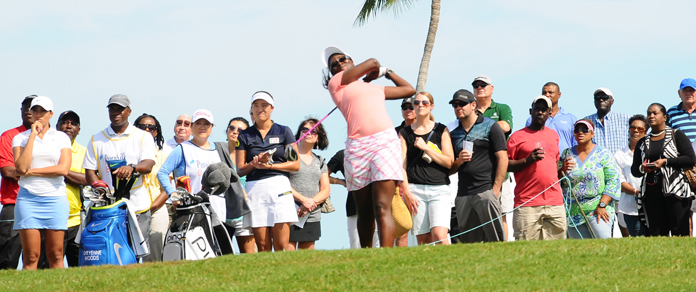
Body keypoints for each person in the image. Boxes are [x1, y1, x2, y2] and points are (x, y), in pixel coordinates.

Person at [323, 46, 416, 248]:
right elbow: (372, 62)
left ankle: (385, 254)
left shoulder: (374, 88)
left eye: (343, 59)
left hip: (385, 142)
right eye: (334, 65)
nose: (339, 64)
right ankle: (366, 255)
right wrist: (375, 70)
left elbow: (409, 90)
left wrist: (386, 72)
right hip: (357, 147)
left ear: (351, 60)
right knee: (364, 210)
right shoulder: (336, 84)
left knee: (382, 205)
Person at [83, 94, 156, 255]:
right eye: (112, 109)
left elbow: (148, 164)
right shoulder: (97, 139)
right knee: (109, 252)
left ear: (129, 111)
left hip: (137, 205)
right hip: (108, 207)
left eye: (120, 109)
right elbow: (90, 172)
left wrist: (132, 167)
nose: (116, 112)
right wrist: (100, 188)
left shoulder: (142, 136)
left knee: (135, 254)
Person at [11, 96, 72, 270]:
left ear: (51, 114)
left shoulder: (61, 138)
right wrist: (32, 136)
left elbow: (63, 169)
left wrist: (31, 172)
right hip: (28, 199)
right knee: (31, 257)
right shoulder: (20, 138)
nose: (38, 115)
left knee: (56, 255)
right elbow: (21, 167)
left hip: (55, 198)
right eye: (35, 110)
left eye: (43, 111)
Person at [236, 91, 300, 252]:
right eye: (256, 106)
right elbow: (240, 169)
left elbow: (295, 164)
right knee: (263, 246)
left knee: (282, 244)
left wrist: (270, 167)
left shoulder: (284, 131)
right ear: (251, 110)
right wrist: (255, 163)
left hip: (280, 186)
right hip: (256, 189)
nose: (260, 109)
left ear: (272, 108)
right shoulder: (244, 135)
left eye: (264, 105)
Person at [448, 89, 507, 243]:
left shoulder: (490, 126)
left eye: (462, 104)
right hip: (463, 195)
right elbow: (450, 168)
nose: (458, 107)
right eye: (455, 105)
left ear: (473, 105)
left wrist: (495, 190)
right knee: (469, 246)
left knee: (496, 241)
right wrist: (458, 161)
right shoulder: (453, 133)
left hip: (486, 192)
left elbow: (503, 158)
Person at [631, 103, 696, 237]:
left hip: (676, 190)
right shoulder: (643, 142)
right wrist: (642, 168)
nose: (651, 116)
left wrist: (666, 161)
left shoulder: (676, 135)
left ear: (665, 117)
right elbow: (634, 171)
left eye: (655, 113)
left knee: (680, 231)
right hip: (651, 192)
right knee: (657, 232)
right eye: (649, 113)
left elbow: (690, 159)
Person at [507, 96, 566, 240]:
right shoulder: (517, 136)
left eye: (544, 110)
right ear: (530, 111)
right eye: (537, 109)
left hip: (554, 202)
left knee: (557, 252)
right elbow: (506, 165)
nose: (540, 112)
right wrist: (528, 160)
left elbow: (554, 164)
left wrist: (563, 169)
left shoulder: (553, 135)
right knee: (526, 251)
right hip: (527, 202)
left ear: (549, 113)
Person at [399, 92, 453, 245]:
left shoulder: (441, 130)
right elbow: (401, 166)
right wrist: (407, 192)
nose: (420, 105)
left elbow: (449, 162)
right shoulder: (404, 133)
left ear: (431, 106)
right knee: (423, 239)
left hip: (439, 188)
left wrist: (426, 148)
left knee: (439, 234)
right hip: (415, 190)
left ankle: (450, 266)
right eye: (416, 103)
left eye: (424, 102)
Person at [558, 120, 621, 239]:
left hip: (598, 209)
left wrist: (602, 205)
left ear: (592, 133)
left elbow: (613, 181)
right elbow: (558, 180)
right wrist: (562, 169)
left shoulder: (603, 154)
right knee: (580, 251)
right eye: (577, 130)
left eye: (584, 130)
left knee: (603, 244)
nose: (580, 132)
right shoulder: (567, 153)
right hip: (574, 212)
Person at [471, 75, 515, 240]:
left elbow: (505, 126)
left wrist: (479, 125)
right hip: (476, 172)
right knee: (478, 217)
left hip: (499, 171)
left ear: (491, 88)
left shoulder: (502, 108)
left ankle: (502, 247)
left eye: (483, 84)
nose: (479, 87)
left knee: (500, 213)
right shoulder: (469, 108)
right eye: (476, 85)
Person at [0, 95, 34, 269]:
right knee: (7, 260)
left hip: (41, 202)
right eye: (26, 106)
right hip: (13, 203)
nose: (29, 110)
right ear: (21, 110)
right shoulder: (9, 136)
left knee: (41, 260)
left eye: (33, 107)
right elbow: (7, 171)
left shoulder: (51, 138)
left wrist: (22, 171)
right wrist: (40, 173)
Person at [287, 118, 331, 250]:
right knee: (287, 254)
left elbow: (325, 189)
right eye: (305, 130)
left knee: (307, 258)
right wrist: (303, 200)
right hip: (290, 211)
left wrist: (309, 204)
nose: (309, 133)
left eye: (314, 131)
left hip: (312, 214)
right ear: (299, 134)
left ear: (318, 138)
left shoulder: (320, 161)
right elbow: (282, 183)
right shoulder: (289, 155)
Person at [134, 113, 169, 262]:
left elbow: (167, 188)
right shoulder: (130, 155)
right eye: (143, 127)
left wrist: (150, 209)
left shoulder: (162, 156)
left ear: (157, 132)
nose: (147, 130)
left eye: (152, 128)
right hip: (132, 209)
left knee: (154, 254)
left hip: (156, 209)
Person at [56, 110, 87, 267]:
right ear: (57, 126)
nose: (68, 126)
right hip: (52, 218)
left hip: (75, 219)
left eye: (73, 123)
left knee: (79, 266)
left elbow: (86, 179)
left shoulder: (83, 152)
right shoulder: (49, 148)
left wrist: (61, 171)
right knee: (51, 266)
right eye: (65, 122)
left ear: (78, 130)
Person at [614, 115, 649, 237]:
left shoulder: (651, 152)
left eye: (640, 129)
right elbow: (620, 181)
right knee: (636, 239)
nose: (635, 131)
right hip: (630, 207)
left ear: (646, 132)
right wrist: (636, 192)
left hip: (651, 204)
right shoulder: (620, 154)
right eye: (632, 128)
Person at [224, 117, 256, 253]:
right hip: (222, 212)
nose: (235, 131)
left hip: (244, 213)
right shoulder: (216, 152)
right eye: (232, 128)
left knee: (249, 257)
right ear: (226, 131)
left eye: (240, 130)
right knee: (220, 257)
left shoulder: (250, 157)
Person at [525, 82, 577, 153]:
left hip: (566, 161)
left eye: (550, 92)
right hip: (542, 160)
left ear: (559, 95)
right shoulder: (533, 119)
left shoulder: (571, 119)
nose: (547, 95)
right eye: (544, 92)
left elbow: (576, 143)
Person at [583, 88, 630, 154]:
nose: (601, 100)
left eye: (604, 97)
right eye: (597, 98)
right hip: (596, 163)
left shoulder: (625, 119)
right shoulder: (586, 122)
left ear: (612, 101)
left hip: (620, 163)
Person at [668, 78, 696, 142]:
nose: (688, 93)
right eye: (685, 90)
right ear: (679, 93)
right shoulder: (671, 113)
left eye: (691, 90)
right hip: (680, 151)